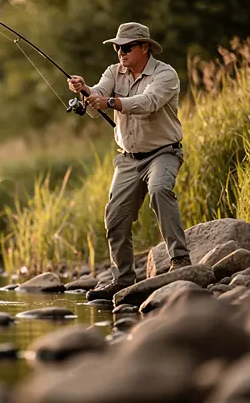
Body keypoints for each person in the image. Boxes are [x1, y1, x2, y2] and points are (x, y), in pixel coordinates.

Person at [68, 22, 191, 301]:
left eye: (126, 47)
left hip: (164, 152)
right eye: (117, 47)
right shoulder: (113, 72)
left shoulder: (165, 74)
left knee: (160, 190)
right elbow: (97, 94)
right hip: (127, 159)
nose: (120, 52)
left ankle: (180, 261)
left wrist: (110, 103)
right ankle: (122, 280)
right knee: (114, 218)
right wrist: (84, 90)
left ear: (145, 47)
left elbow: (149, 102)